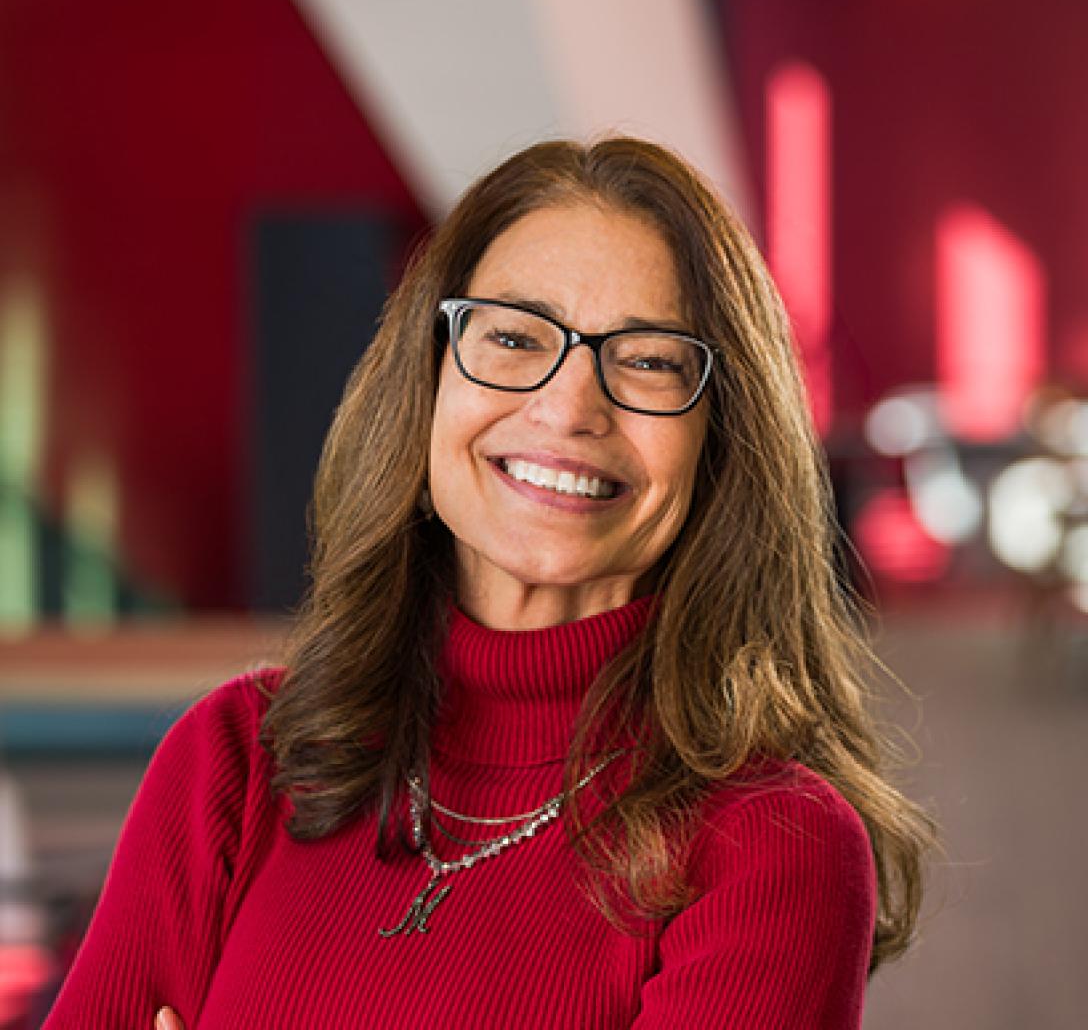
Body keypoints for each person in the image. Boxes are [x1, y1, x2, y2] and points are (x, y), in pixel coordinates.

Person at [44, 137, 935, 1029]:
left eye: (650, 361)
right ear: (428, 377)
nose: (569, 407)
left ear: (723, 436)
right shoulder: (237, 761)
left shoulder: (773, 844)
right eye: (513, 337)